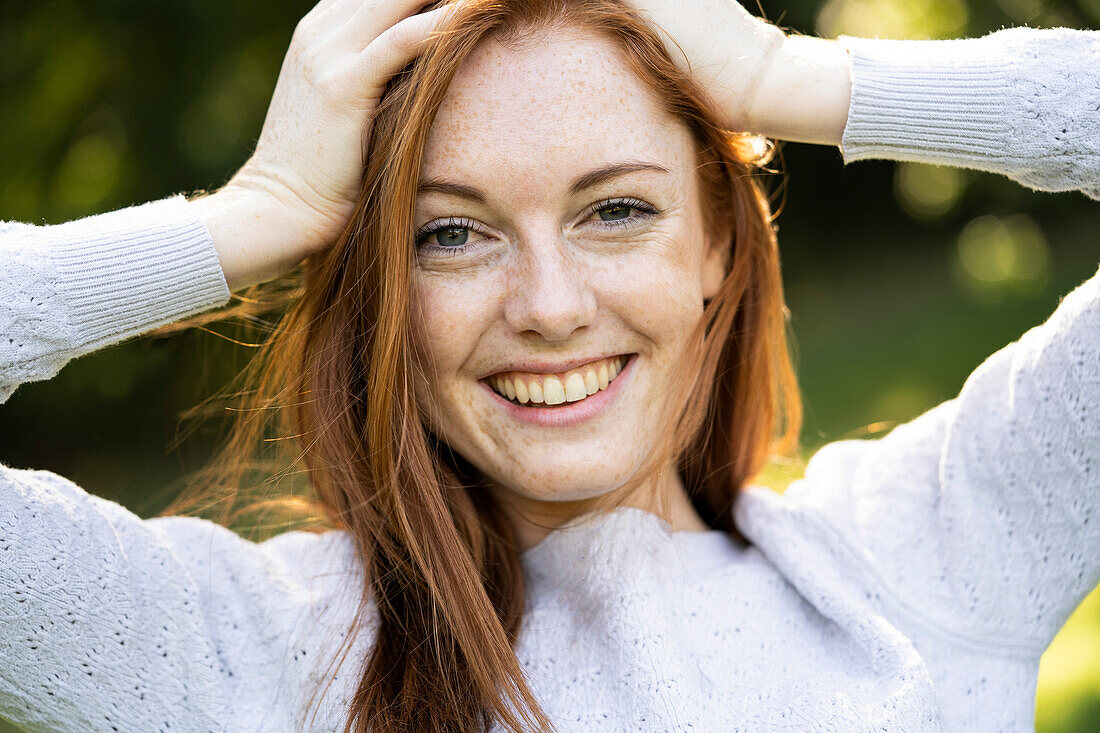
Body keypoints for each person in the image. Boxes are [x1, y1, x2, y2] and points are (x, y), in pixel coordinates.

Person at [1, 0, 1097, 730]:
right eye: (450, 233)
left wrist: (788, 75)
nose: (550, 306)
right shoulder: (243, 648)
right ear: (383, 289)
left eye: (615, 210)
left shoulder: (929, 552)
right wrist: (257, 213)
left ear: (714, 242)